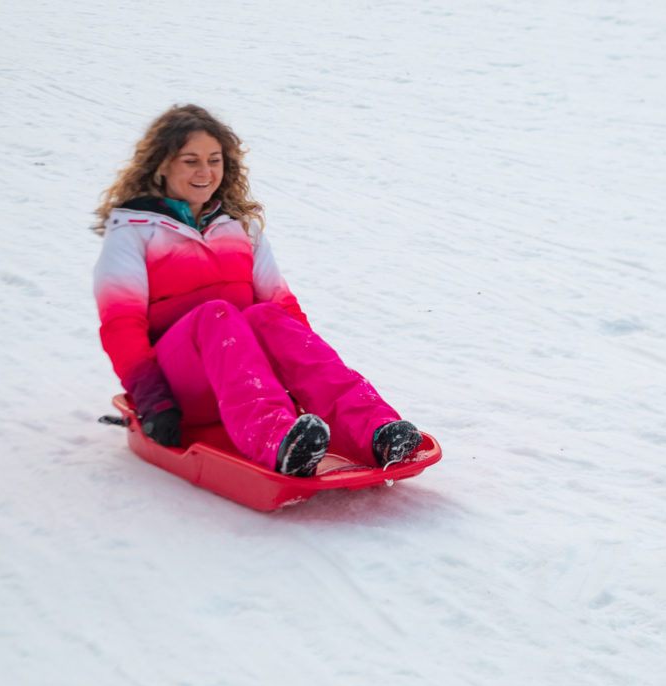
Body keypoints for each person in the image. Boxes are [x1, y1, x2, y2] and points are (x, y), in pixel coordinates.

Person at [93, 104, 422, 477]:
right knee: (215, 314)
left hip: (247, 378)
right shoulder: (133, 231)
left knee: (268, 315)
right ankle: (277, 441)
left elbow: (285, 311)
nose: (205, 172)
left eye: (214, 160)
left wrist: (301, 379)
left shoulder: (240, 227)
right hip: (179, 389)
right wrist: (154, 402)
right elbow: (121, 324)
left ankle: (377, 431)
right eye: (190, 161)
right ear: (162, 165)